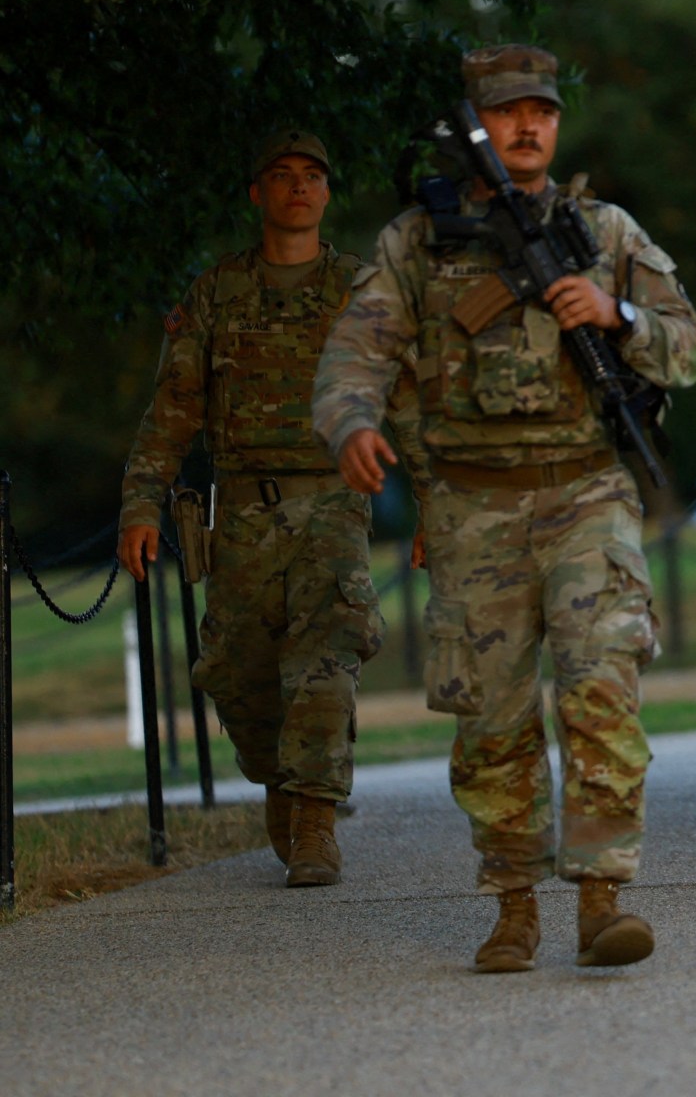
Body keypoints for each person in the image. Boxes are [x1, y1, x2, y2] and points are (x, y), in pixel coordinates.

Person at [312, 44, 696, 973]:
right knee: (489, 716)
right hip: (470, 509)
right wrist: (353, 428)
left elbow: (688, 350)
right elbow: (353, 356)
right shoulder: (419, 239)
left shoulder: (605, 230)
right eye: (509, 111)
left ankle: (603, 896)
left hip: (585, 492)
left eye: (544, 110)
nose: (530, 126)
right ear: (477, 125)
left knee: (601, 680)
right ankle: (515, 903)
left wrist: (618, 316)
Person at [118, 130, 426, 888]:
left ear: (327, 193)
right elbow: (175, 409)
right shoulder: (216, 294)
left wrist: (436, 503)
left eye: (312, 176)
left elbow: (411, 402)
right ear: (258, 194)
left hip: (332, 507)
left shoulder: (363, 290)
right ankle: (280, 786)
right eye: (281, 175)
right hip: (242, 522)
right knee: (242, 679)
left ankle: (316, 822)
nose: (298, 187)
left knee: (326, 662)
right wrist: (141, 504)